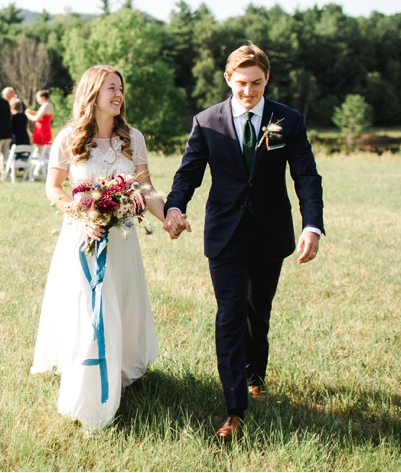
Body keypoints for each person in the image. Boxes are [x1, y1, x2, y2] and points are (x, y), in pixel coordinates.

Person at [163, 43, 325, 442]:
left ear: (266, 79)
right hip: (225, 232)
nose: (248, 91)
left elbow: (306, 177)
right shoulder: (207, 121)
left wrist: (312, 225)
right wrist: (174, 207)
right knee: (230, 313)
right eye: (240, 84)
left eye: (255, 83)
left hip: (271, 232)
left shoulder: (289, 120)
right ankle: (234, 409)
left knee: (258, 312)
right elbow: (188, 175)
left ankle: (255, 376)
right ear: (227, 79)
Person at [32, 64, 166, 430]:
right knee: (91, 307)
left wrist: (167, 216)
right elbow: (53, 189)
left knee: (119, 301)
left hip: (122, 239)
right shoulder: (69, 138)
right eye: (111, 87)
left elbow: (145, 188)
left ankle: (119, 367)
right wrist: (82, 213)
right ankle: (88, 380)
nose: (119, 94)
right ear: (92, 93)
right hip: (83, 236)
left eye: (121, 87)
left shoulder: (132, 137)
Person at [26, 89, 54, 158]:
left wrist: (27, 115)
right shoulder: (49, 105)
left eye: (38, 98)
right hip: (45, 127)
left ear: (43, 98)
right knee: (45, 149)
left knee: (42, 149)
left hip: (42, 129)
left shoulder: (45, 105)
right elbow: (42, 114)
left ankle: (44, 165)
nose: (37, 100)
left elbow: (36, 118)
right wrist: (31, 112)